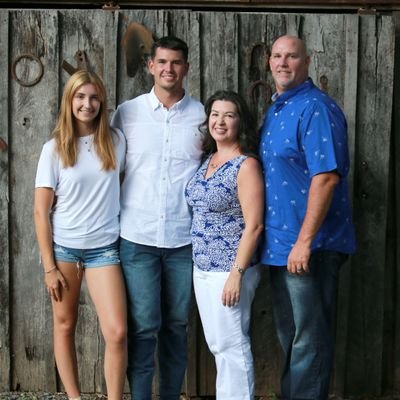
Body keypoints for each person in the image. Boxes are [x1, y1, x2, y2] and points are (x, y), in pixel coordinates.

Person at [259, 35, 356, 400]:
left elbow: (326, 176)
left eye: (292, 56)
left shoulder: (316, 108)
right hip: (281, 246)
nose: (284, 63)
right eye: (278, 56)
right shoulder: (278, 110)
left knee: (309, 341)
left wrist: (303, 242)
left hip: (309, 248)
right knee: (293, 338)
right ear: (269, 62)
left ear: (307, 61)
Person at [110, 36, 205, 400]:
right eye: (162, 62)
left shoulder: (201, 116)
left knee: (176, 327)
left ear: (186, 67)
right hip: (138, 237)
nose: (169, 69)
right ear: (150, 65)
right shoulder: (127, 113)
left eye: (176, 62)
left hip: (184, 240)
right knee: (144, 327)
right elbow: (108, 169)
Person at [34, 70, 127, 400]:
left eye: (94, 97)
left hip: (104, 249)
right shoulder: (54, 149)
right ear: (69, 101)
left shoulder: (116, 141)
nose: (87, 104)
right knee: (64, 325)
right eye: (80, 97)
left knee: (116, 332)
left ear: (102, 101)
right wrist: (49, 267)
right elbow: (40, 212)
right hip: (64, 252)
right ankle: (75, 398)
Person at [185, 90, 264, 400]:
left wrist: (237, 273)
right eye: (215, 114)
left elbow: (255, 225)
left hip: (230, 269)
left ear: (239, 122)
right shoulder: (208, 159)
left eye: (229, 115)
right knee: (218, 344)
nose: (220, 121)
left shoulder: (246, 166)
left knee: (232, 344)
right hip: (202, 267)